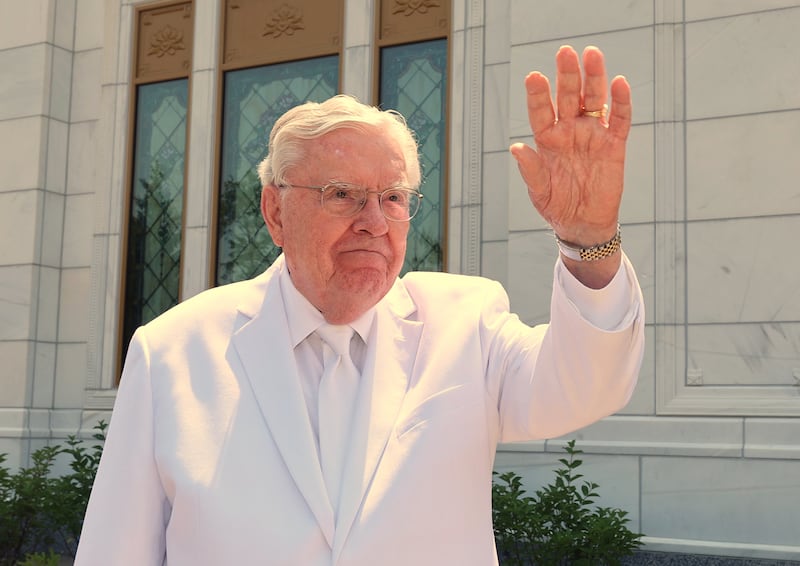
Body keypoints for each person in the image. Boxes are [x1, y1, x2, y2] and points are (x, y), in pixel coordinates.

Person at [75, 45, 644, 565]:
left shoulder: (466, 324)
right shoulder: (171, 351)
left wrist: (587, 236)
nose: (373, 222)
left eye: (393, 198)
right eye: (341, 195)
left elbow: (586, 384)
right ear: (275, 213)